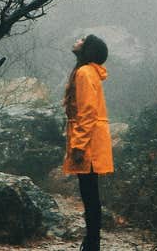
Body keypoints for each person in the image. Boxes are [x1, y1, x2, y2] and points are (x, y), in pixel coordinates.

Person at [62, 34, 113, 251]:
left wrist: (79, 146)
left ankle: (92, 243)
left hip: (88, 142)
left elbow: (87, 112)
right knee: (91, 192)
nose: (78, 40)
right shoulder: (88, 72)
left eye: (83, 39)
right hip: (92, 138)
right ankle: (92, 241)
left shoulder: (84, 72)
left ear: (88, 49)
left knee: (89, 193)